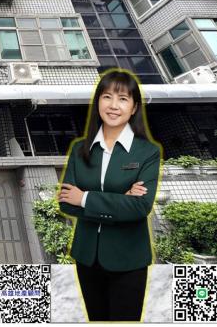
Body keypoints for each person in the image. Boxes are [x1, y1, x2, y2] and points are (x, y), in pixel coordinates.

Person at [57, 69, 162, 322]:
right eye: (107, 97)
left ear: (134, 108)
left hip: (128, 259)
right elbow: (66, 203)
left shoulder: (147, 152)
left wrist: (85, 198)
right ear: (98, 103)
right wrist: (121, 200)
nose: (113, 105)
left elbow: (140, 207)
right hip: (86, 257)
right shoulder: (79, 149)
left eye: (123, 99)